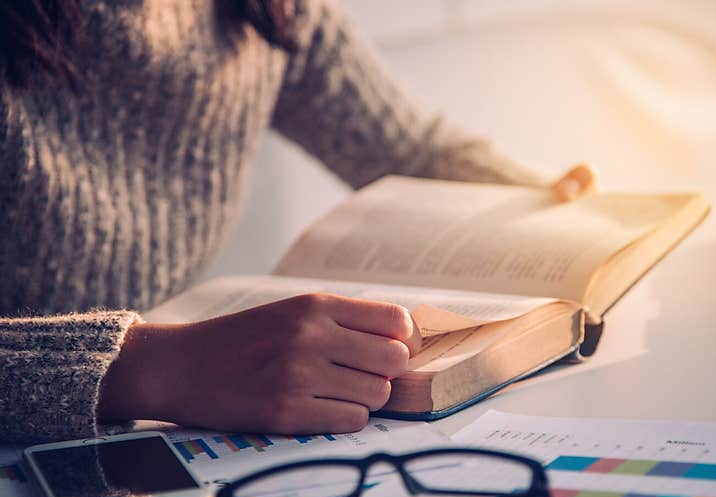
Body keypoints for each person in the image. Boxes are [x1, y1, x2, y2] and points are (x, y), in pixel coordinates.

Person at [0, 0, 595, 444]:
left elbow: (410, 150)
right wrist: (146, 367)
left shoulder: (266, 11)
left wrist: (559, 208)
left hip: (143, 442)